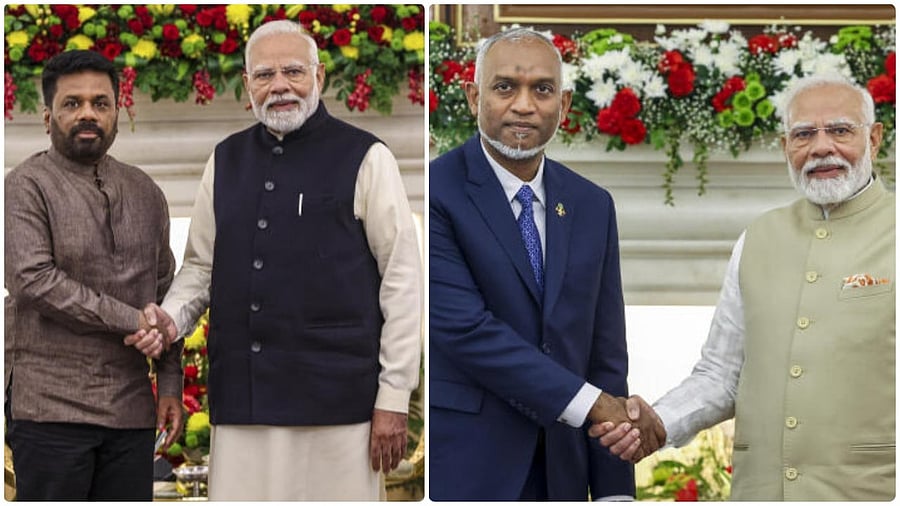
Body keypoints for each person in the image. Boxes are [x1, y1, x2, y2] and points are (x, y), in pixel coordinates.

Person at [593, 73, 895, 501]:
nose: (822, 147)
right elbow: (722, 374)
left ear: (875, 138)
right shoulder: (758, 237)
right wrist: (658, 423)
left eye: (841, 131)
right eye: (804, 134)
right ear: (785, 146)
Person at [159, 20, 422, 501]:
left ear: (319, 78)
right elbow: (200, 266)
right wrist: (167, 321)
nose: (279, 85)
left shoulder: (367, 157)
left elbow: (403, 280)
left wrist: (393, 396)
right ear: (247, 86)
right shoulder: (225, 159)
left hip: (340, 404)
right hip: (244, 401)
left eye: (293, 71)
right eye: (264, 75)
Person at [429, 27, 664, 501]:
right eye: (504, 87)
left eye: (542, 89)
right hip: (466, 470)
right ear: (474, 96)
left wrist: (616, 491)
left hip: (565, 473)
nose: (523, 105)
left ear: (565, 104)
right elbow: (465, 330)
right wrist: (596, 405)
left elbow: (605, 353)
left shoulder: (592, 205)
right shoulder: (438, 189)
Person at [4, 50, 184, 501]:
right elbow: (34, 280)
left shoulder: (146, 192)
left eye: (100, 103)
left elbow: (166, 291)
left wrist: (171, 383)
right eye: (73, 103)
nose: (88, 113)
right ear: (48, 117)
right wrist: (133, 321)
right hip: (49, 410)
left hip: (130, 410)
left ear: (117, 113)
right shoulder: (26, 186)